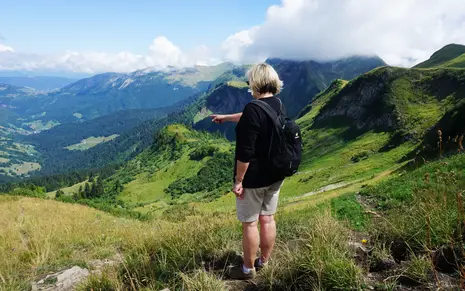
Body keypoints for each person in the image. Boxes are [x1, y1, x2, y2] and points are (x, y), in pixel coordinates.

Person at [211, 63, 286, 280]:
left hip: (255, 178)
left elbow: (245, 153)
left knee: (250, 222)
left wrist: (238, 180)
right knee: (268, 219)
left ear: (255, 82)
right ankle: (264, 261)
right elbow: (253, 115)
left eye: (249, 82)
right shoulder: (278, 104)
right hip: (276, 174)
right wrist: (226, 118)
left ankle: (247, 270)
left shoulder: (254, 108)